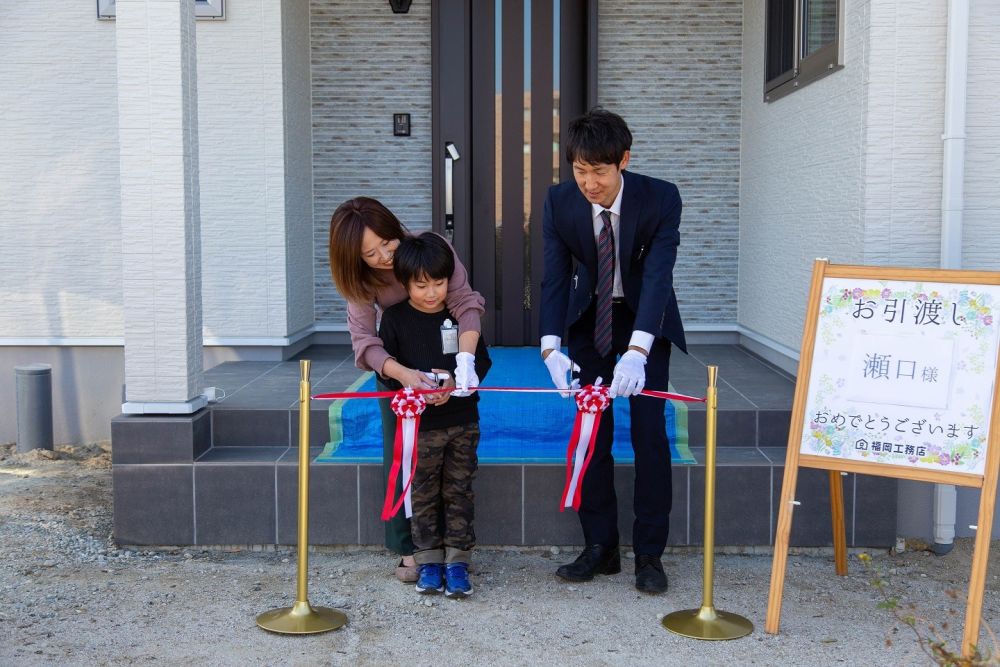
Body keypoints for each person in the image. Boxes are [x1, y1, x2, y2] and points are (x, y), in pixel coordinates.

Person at [538, 108, 686, 594]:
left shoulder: (660, 198)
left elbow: (660, 275)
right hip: (591, 319)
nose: (589, 183)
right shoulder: (559, 202)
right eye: (580, 171)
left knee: (649, 435)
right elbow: (555, 276)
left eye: (599, 171)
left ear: (623, 160)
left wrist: (639, 350)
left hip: (646, 318)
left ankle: (649, 554)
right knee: (590, 434)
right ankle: (600, 548)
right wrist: (550, 346)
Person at [328, 197, 485, 584]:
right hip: (401, 371)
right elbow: (365, 343)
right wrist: (404, 375)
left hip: (447, 358)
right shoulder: (360, 282)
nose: (383, 256)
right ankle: (410, 551)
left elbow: (465, 301)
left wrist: (464, 364)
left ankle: (454, 552)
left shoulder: (429, 248)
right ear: (355, 258)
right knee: (403, 460)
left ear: (396, 229)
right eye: (370, 253)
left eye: (387, 242)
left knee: (454, 475)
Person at [377, 232, 492, 598]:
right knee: (423, 493)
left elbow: (483, 360)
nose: (431, 293)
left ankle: (458, 561)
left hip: (462, 422)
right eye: (421, 285)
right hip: (420, 428)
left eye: (439, 283)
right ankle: (427, 560)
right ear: (405, 282)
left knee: (459, 491)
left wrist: (458, 378)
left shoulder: (459, 315)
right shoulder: (394, 320)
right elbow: (386, 372)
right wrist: (416, 388)